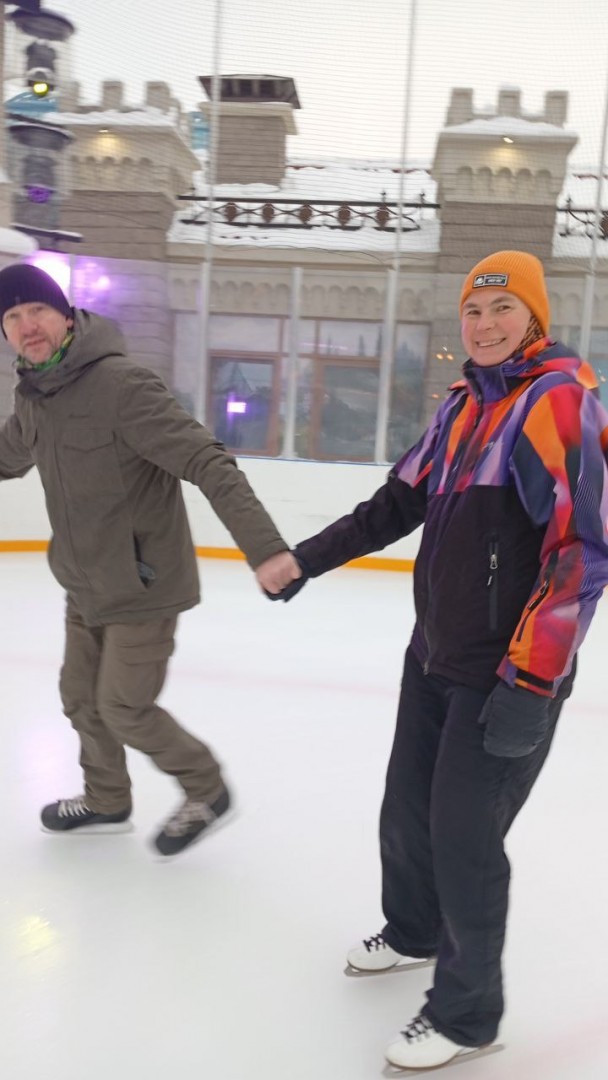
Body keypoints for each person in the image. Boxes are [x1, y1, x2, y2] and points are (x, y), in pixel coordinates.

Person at [270, 251, 608, 1069]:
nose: (485, 325)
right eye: (474, 311)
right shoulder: (463, 407)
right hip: (434, 653)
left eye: (503, 309)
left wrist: (533, 680)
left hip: (508, 670)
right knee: (408, 810)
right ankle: (415, 930)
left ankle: (467, 1015)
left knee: (464, 838)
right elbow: (396, 503)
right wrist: (305, 559)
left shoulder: (556, 402)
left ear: (534, 317)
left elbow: (583, 550)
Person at [0, 262, 301, 857]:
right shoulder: (34, 399)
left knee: (123, 706)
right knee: (80, 698)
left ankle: (206, 788)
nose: (26, 325)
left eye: (37, 310)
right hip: (84, 584)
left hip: (143, 583)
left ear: (66, 316)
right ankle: (106, 799)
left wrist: (266, 548)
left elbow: (208, 461)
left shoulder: (122, 386)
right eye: (11, 317)